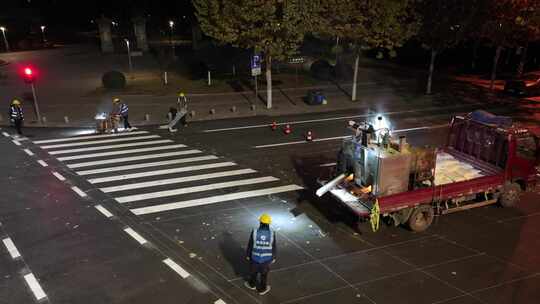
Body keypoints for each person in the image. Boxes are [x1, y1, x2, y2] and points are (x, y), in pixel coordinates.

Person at [244, 214, 276, 295]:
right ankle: (262, 289)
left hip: (255, 257)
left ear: (260, 223)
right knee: (264, 275)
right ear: (269, 223)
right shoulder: (272, 233)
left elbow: (250, 244)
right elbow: (273, 246)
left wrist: (248, 255)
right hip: (266, 259)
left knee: (253, 272)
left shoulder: (254, 231)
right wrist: (273, 257)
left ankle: (252, 285)